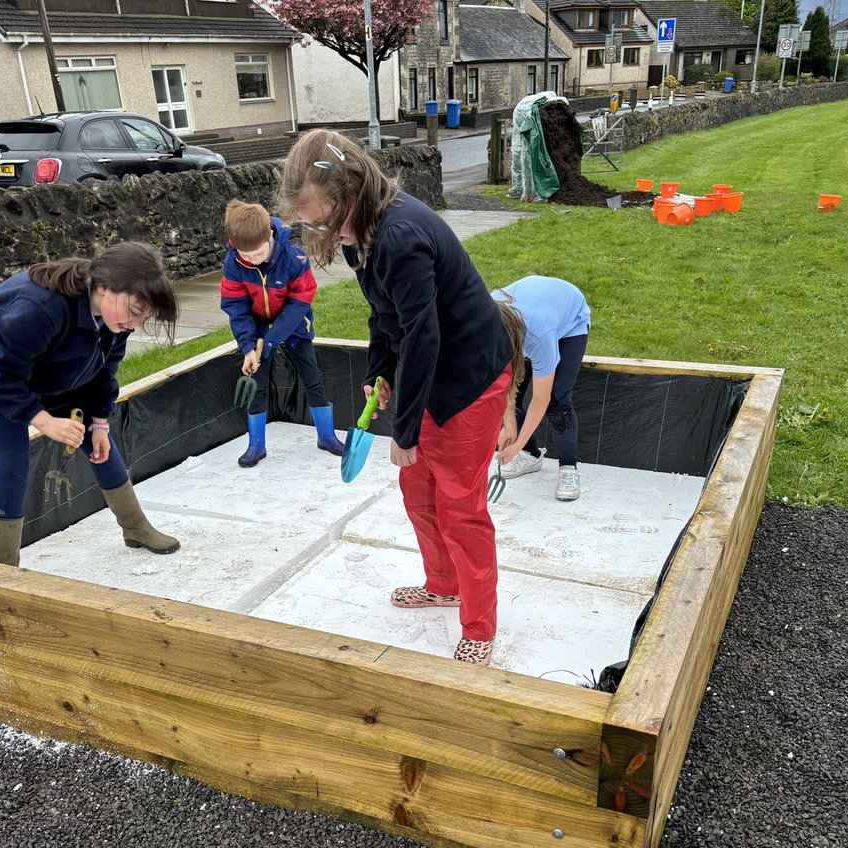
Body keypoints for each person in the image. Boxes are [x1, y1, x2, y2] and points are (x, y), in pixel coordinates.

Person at [278, 131, 524, 668]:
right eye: (315, 223)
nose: (324, 231)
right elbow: (383, 314)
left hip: (468, 381)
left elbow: (424, 336)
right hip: (428, 371)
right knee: (419, 495)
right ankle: (444, 585)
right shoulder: (361, 231)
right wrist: (377, 372)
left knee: (461, 507)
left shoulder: (401, 234)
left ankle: (480, 623)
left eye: (326, 219)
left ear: (351, 190)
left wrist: (406, 432)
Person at [0, 242, 181, 567]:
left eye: (143, 317)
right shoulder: (42, 308)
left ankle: (135, 528)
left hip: (57, 373)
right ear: (104, 287)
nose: (135, 324)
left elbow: (106, 368)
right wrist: (43, 420)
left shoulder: (115, 317)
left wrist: (101, 422)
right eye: (135, 312)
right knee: (14, 462)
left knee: (99, 442)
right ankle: (4, 570)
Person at [219, 198, 344, 467]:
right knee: (257, 386)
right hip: (256, 330)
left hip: (295, 326)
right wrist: (249, 347)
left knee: (312, 377)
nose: (251, 259)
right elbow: (235, 307)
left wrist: (271, 339)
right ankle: (256, 445)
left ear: (270, 236)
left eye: (257, 254)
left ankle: (327, 436)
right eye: (245, 255)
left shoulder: (294, 257)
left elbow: (300, 302)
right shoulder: (233, 263)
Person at [492, 275, 591, 501]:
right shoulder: (485, 320)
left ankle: (568, 467)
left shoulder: (538, 339)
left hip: (570, 321)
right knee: (511, 389)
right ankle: (530, 454)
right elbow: (504, 383)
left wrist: (513, 446)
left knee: (558, 398)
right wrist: (509, 426)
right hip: (535, 308)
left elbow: (540, 398)